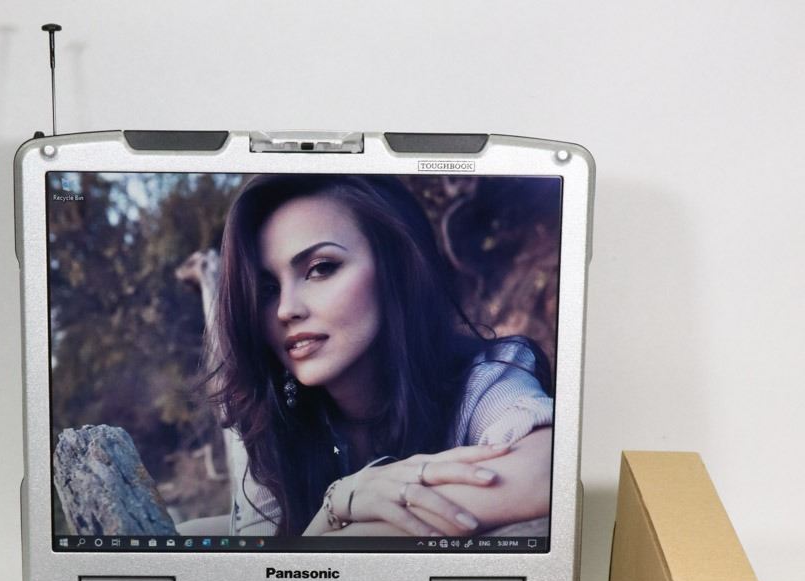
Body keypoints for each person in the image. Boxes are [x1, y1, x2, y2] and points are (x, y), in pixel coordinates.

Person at [206, 174, 554, 538]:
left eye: (321, 268)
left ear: (397, 266)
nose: (285, 310)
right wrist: (336, 504)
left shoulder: (481, 378)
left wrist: (348, 532)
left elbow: (544, 472)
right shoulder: (266, 413)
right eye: (266, 288)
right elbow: (263, 565)